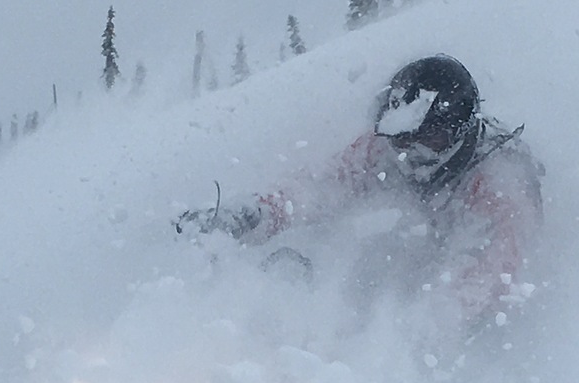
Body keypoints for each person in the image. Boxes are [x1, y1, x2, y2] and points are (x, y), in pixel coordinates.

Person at [176, 54, 544, 339]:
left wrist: (407, 332)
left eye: (429, 140)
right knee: (348, 250)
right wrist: (251, 215)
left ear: (460, 130)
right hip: (420, 248)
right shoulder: (388, 150)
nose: (413, 153)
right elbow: (322, 185)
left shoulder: (499, 183)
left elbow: (490, 274)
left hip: (487, 309)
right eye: (403, 139)